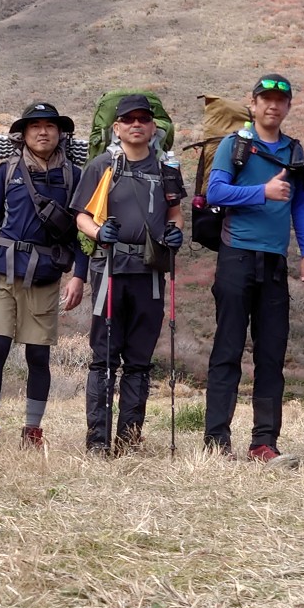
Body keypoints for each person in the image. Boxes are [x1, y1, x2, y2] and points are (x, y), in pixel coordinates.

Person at [203, 74, 304, 465]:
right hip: (235, 257)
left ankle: (263, 443)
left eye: (280, 100)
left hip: (274, 262)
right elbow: (216, 192)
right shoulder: (234, 144)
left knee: (271, 354)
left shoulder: (294, 150)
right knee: (228, 350)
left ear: (288, 107)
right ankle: (216, 441)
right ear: (252, 104)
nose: (273, 105)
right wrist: (262, 192)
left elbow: (301, 204)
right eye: (265, 99)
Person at [0, 102, 88, 449]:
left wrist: (79, 275)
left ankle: (33, 430)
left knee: (38, 355)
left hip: (45, 276)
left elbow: (82, 229)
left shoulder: (74, 176)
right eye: (35, 126)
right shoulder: (7, 171)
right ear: (24, 133)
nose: (43, 132)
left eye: (50, 126)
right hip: (2, 272)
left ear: (60, 133)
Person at [71, 94, 185, 454]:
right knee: (104, 357)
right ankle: (98, 441)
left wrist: (175, 233)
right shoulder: (102, 166)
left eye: (143, 119)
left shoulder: (166, 169)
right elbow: (81, 216)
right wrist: (98, 233)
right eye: (129, 120)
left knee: (139, 358)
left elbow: (175, 213)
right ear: (116, 127)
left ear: (153, 127)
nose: (137, 124)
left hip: (150, 271)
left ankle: (129, 438)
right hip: (110, 268)